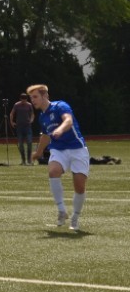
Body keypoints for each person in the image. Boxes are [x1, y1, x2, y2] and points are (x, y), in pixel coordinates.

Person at [27, 84, 89, 231]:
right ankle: (61, 211)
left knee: (79, 187)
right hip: (58, 150)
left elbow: (68, 120)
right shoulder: (42, 117)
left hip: (77, 149)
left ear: (45, 96)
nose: (33, 101)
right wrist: (38, 152)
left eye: (35, 97)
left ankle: (75, 217)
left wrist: (60, 129)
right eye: (31, 98)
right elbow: (45, 136)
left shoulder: (60, 106)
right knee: (53, 171)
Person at [9, 92, 35, 165]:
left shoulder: (29, 105)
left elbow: (32, 114)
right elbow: (12, 113)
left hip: (27, 126)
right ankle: (23, 160)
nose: (24, 101)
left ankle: (29, 160)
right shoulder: (17, 105)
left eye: (25, 99)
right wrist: (12, 122)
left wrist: (31, 120)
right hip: (19, 126)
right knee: (20, 144)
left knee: (29, 143)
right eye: (23, 99)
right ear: (20, 99)